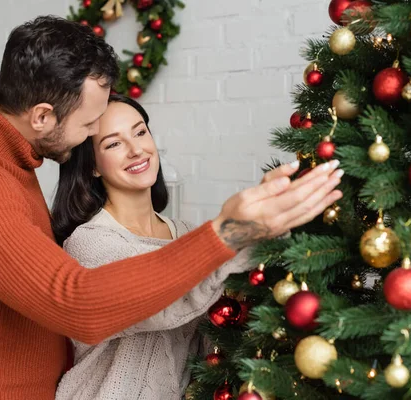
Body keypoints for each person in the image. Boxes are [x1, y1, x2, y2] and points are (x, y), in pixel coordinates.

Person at [0, 15, 343, 400]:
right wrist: (223, 233)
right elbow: (78, 302)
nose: (94, 134)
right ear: (41, 117)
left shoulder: (8, 154)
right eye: (91, 125)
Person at [51, 94, 259, 400]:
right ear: (93, 166)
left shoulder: (189, 234)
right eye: (114, 143)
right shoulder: (89, 243)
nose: (137, 150)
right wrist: (247, 232)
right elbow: (164, 295)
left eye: (139, 132)